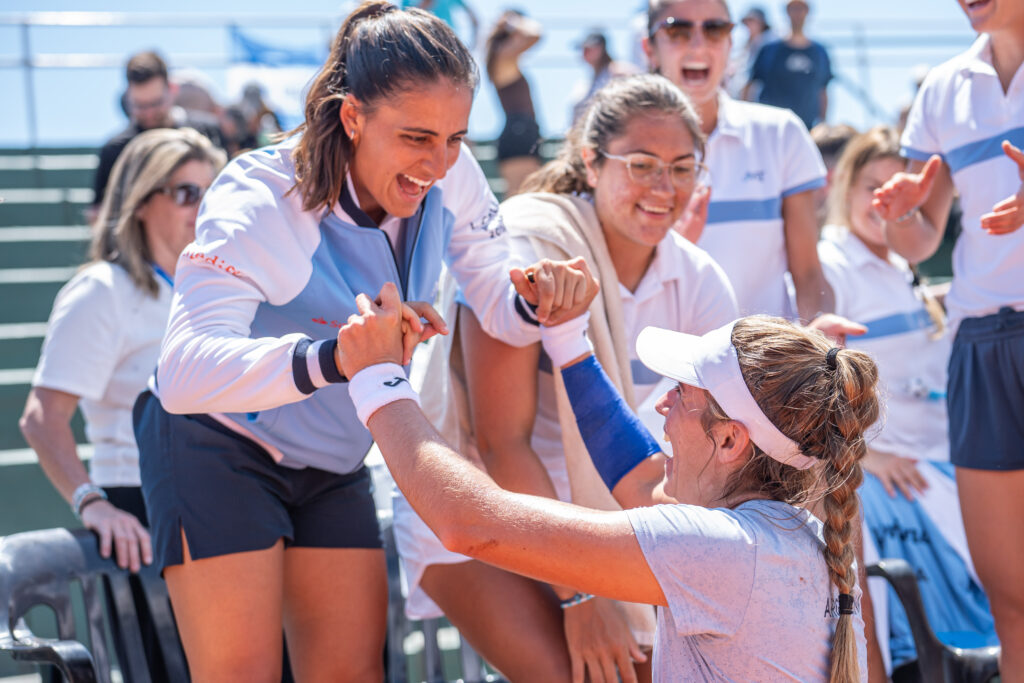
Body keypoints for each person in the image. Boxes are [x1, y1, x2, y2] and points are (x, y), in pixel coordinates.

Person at [132, 3, 588, 680]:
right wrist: (338, 358)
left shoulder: (452, 173)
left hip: (333, 457)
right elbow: (183, 372)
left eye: (455, 138)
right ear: (352, 117)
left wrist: (538, 300)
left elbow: (496, 302)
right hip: (216, 443)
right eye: (416, 137)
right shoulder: (262, 196)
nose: (438, 163)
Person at [337, 281, 877, 681]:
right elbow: (640, 482)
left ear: (731, 441)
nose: (663, 404)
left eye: (682, 394)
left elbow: (470, 524)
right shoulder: (794, 537)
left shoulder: (723, 551)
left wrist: (378, 378)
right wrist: (567, 340)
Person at [394, 74, 738, 681]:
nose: (664, 188)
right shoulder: (531, 244)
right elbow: (502, 443)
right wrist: (582, 597)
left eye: (683, 169)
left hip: (607, 509)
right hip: (476, 495)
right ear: (591, 161)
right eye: (641, 165)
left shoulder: (701, 279)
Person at [19, 127, 224, 683]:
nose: (203, 208)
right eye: (186, 193)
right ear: (141, 201)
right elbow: (41, 418)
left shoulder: (210, 291)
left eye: (211, 192)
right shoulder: (102, 290)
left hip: (223, 505)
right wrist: (92, 503)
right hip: (143, 513)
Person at [872, 0, 1024, 676]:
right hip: (979, 341)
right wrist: (902, 217)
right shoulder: (941, 88)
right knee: (1011, 597)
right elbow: (920, 238)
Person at [818, 126, 997, 678]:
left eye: (899, 189)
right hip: (895, 481)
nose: (884, 201)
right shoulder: (831, 266)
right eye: (871, 186)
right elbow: (810, 384)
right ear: (845, 188)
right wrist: (869, 459)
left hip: (940, 461)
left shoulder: (902, 267)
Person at [644, 0, 833, 320]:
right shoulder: (618, 150)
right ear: (649, 48)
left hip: (767, 354)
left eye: (715, 29)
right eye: (678, 30)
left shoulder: (781, 133)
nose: (698, 44)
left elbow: (809, 275)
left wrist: (819, 336)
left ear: (731, 43)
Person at [91, 52, 223, 218]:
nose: (149, 113)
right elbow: (97, 214)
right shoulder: (115, 150)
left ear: (173, 90)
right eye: (140, 105)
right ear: (128, 98)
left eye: (156, 103)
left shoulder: (207, 132)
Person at [742, 0, 832, 130]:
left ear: (807, 12)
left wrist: (822, 125)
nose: (797, 14)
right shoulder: (769, 50)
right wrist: (747, 123)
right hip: (770, 129)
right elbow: (749, 86)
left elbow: (823, 91)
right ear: (787, 11)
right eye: (793, 8)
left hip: (807, 129)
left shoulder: (819, 52)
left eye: (801, 8)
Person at [484, 10, 544, 197]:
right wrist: (513, 21)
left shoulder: (502, 58)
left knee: (526, 195)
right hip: (518, 132)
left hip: (521, 132)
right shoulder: (502, 56)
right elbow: (535, 34)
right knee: (522, 196)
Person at [570, 30, 639, 125]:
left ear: (600, 48)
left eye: (588, 49)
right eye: (583, 49)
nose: (584, 53)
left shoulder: (619, 72)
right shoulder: (585, 84)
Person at [727, 6, 776, 98]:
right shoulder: (744, 45)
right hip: (739, 96)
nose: (748, 25)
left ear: (761, 23)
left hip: (759, 98)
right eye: (747, 22)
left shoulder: (769, 45)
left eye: (752, 21)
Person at [400, 0, 479, 47]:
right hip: (423, 43)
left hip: (450, 41)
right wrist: (424, 5)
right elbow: (404, 23)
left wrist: (472, 43)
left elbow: (474, 20)